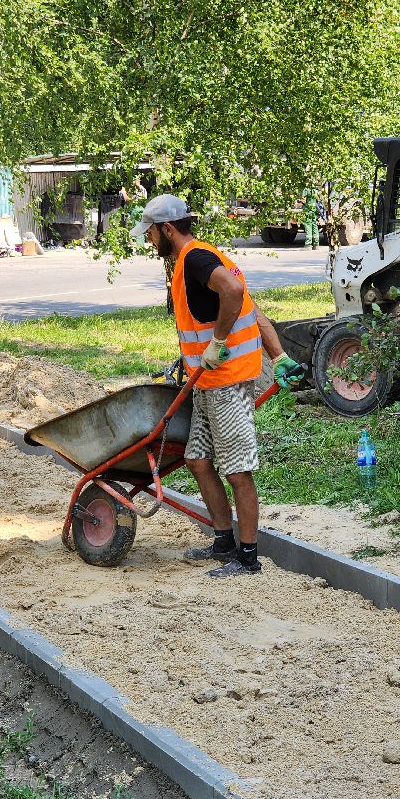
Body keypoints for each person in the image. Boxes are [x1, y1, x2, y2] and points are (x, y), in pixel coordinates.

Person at [130, 194, 302, 578]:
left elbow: (235, 294)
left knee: (238, 470)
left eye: (151, 234)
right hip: (207, 382)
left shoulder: (196, 259)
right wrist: (278, 357)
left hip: (226, 383)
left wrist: (219, 342)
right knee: (197, 459)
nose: (149, 241)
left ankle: (248, 558)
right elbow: (253, 312)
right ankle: (223, 540)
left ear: (167, 229)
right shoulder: (201, 258)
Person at [300, 185, 320, 250]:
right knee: (314, 224)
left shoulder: (306, 189)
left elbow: (303, 200)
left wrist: (299, 202)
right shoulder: (315, 189)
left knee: (308, 225)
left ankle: (308, 244)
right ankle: (316, 244)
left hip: (307, 210)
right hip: (313, 209)